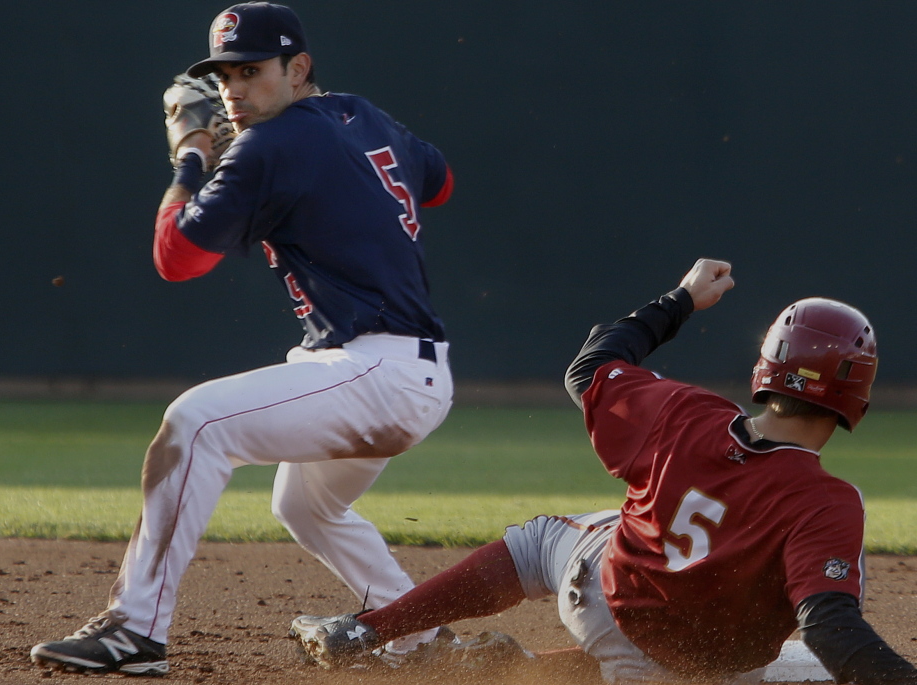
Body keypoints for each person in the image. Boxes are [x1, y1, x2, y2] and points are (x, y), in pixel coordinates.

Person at [30, 2, 455, 675]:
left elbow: (177, 258)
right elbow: (438, 182)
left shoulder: (269, 144)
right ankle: (418, 632)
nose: (233, 90)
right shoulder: (355, 114)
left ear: (298, 67)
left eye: (251, 72)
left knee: (195, 421)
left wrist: (190, 156)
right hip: (404, 372)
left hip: (378, 370)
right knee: (303, 503)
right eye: (225, 75)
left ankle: (134, 629)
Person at [291, 258, 917, 685]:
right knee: (812, 624)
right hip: (682, 670)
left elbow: (590, 366)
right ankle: (527, 669)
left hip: (596, 597)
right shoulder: (826, 503)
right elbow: (833, 629)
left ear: (766, 368)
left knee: (544, 541)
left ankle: (366, 631)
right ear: (855, 391)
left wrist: (682, 299)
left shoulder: (687, 413)